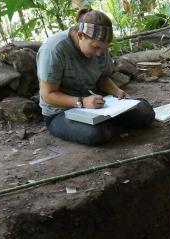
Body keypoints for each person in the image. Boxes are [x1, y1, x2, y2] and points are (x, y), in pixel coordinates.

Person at [36, 8, 155, 146]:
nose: (99, 53)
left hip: (95, 107)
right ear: (81, 35)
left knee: (145, 113)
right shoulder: (54, 50)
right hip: (61, 113)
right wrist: (82, 102)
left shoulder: (101, 47)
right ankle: (105, 125)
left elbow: (102, 78)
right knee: (96, 133)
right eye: (95, 47)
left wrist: (117, 92)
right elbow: (48, 95)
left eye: (104, 49)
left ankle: (107, 123)